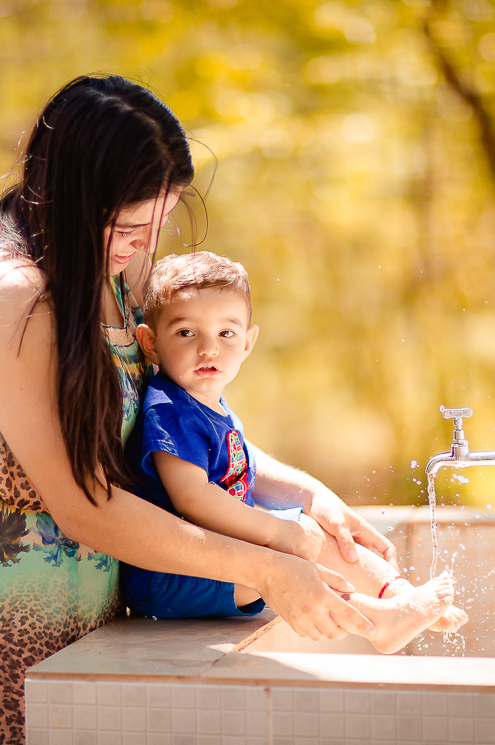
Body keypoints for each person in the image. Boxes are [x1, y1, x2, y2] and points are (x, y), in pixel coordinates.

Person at [0, 75, 397, 745]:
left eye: (160, 221)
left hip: (87, 618)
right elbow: (81, 502)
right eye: (133, 223)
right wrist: (264, 563)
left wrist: (303, 491)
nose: (147, 244)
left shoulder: (113, 274)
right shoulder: (6, 292)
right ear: (76, 195)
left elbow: (172, 432)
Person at [121, 252, 469, 653]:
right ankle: (379, 622)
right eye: (186, 333)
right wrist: (276, 532)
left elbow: (244, 474)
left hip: (220, 560)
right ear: (150, 342)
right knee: (288, 554)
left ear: (248, 341)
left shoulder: (206, 401)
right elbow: (192, 497)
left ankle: (398, 596)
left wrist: (300, 512)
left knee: (314, 529)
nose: (208, 349)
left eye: (226, 334)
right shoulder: (169, 409)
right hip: (172, 576)